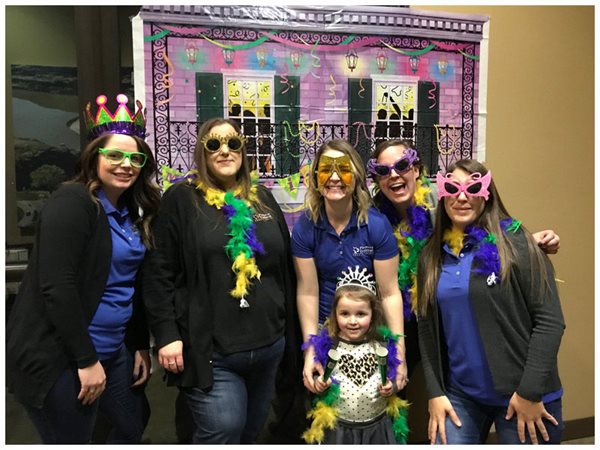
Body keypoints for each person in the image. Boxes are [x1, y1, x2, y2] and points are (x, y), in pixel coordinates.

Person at [6, 93, 160, 444]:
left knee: (132, 424)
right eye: (115, 155)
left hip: (113, 349)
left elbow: (128, 284)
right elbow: (57, 286)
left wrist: (137, 345)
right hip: (65, 355)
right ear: (94, 158)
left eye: (135, 157)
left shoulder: (127, 212)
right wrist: (86, 361)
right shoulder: (73, 202)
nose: (126, 164)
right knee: (76, 436)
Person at [142, 117, 300, 444]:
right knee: (223, 430)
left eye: (233, 143)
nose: (224, 151)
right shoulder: (182, 199)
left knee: (249, 432)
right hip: (213, 351)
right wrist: (166, 334)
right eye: (214, 144)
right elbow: (159, 273)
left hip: (268, 346)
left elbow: (282, 267)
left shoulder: (261, 198)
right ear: (202, 151)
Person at [368, 139, 561, 381]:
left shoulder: (442, 208)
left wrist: (525, 243)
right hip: (392, 321)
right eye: (384, 171)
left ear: (416, 169)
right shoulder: (371, 220)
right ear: (376, 180)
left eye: (403, 165)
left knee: (451, 387)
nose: (394, 175)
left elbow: (480, 231)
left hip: (440, 316)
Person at [417, 159, 565, 445]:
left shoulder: (517, 243)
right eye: (452, 188)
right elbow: (426, 329)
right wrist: (435, 392)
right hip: (462, 395)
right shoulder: (430, 257)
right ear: (443, 193)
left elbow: (550, 322)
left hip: (524, 395)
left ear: (487, 193)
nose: (462, 196)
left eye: (473, 187)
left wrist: (530, 392)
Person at [291, 139, 408, 396]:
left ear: (355, 176)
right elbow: (308, 292)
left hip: (372, 337)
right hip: (328, 337)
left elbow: (389, 293)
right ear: (315, 179)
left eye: (342, 169)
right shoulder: (305, 227)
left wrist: (399, 354)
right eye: (326, 170)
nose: (334, 177)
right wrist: (311, 350)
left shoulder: (376, 226)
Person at [302, 266, 409, 445]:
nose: (352, 321)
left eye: (361, 314)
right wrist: (319, 384)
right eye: (345, 314)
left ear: (373, 315)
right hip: (338, 431)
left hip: (377, 429)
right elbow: (314, 380)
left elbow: (396, 379)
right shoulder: (327, 346)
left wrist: (392, 388)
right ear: (335, 315)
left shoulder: (382, 345)